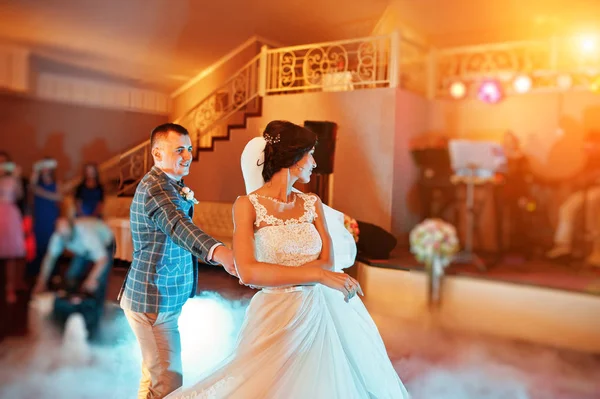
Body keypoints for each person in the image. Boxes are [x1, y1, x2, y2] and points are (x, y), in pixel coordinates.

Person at [167, 121, 409, 398]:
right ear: (294, 157)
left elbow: (327, 262)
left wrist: (303, 273)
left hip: (321, 310)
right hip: (275, 313)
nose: (315, 163)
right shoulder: (247, 205)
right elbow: (248, 273)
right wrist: (316, 275)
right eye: (311, 153)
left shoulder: (312, 203)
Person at [118, 123, 237, 398]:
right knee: (169, 384)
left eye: (190, 149)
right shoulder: (157, 189)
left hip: (161, 297)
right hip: (152, 300)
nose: (187, 156)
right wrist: (220, 252)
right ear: (157, 154)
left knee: (154, 377)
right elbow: (179, 226)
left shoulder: (170, 184)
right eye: (179, 150)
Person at [32, 216, 115, 336]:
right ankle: (67, 318)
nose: (65, 240)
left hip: (105, 243)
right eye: (63, 237)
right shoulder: (59, 236)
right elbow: (50, 258)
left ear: (73, 230)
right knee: (71, 277)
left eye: (67, 237)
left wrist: (91, 278)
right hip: (82, 249)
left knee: (97, 284)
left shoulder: (86, 234)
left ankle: (95, 326)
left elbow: (103, 259)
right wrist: (41, 282)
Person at [546, 133, 600, 266]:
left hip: (596, 192)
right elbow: (580, 177)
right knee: (566, 208)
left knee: (592, 208)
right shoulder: (586, 159)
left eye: (591, 143)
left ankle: (596, 251)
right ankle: (563, 245)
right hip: (586, 191)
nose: (587, 146)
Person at [29, 158, 62, 281]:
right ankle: (37, 272)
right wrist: (36, 170)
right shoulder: (36, 182)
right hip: (39, 215)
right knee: (38, 242)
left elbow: (59, 197)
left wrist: (41, 193)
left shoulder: (56, 182)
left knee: (52, 242)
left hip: (51, 215)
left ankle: (53, 272)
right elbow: (31, 188)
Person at [0, 151, 26, 304]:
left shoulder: (12, 179)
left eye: (4, 162)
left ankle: (10, 288)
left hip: (10, 214)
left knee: (11, 254)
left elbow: (19, 195)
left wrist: (16, 177)